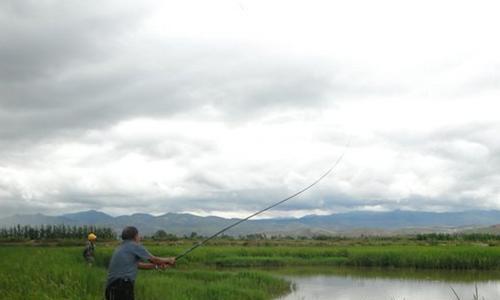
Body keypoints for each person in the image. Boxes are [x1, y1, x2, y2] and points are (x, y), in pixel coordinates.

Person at [105, 226, 176, 300]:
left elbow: (138, 265)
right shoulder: (134, 245)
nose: (139, 237)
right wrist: (169, 260)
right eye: (138, 235)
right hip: (122, 285)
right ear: (135, 236)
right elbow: (153, 259)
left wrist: (156, 266)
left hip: (110, 288)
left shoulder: (120, 247)